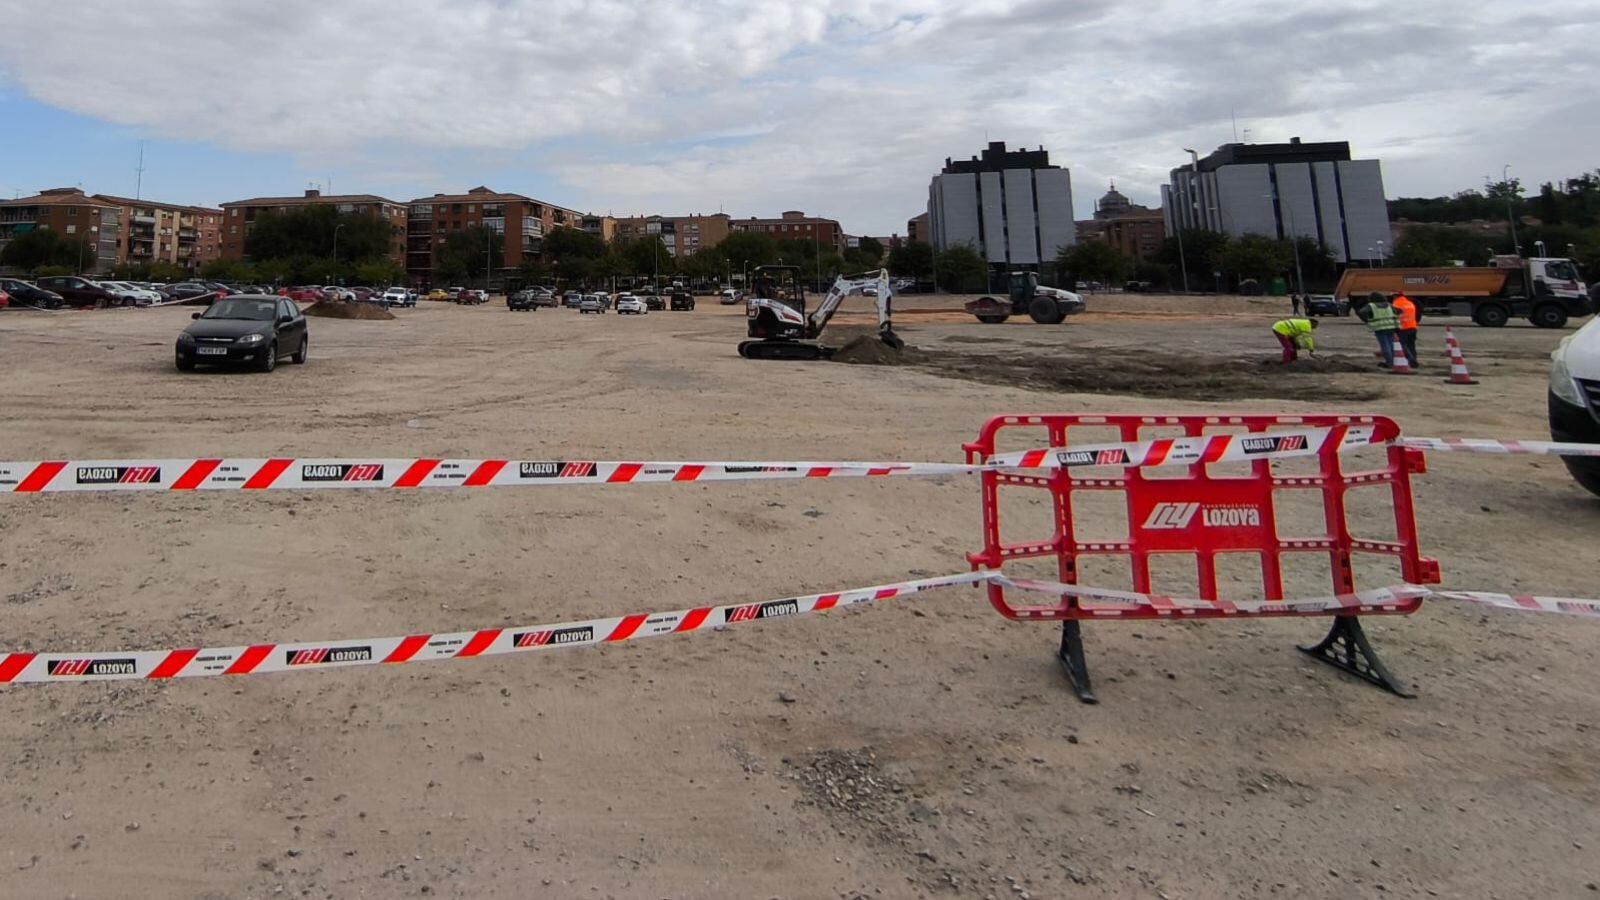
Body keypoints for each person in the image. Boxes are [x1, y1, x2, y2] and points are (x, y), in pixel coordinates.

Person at [1356, 291, 1399, 368]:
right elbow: (1398, 311)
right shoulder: (1389, 305)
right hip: (1391, 327)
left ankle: (1389, 363)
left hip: (1380, 328)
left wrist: (1367, 320)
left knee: (1385, 345)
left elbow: (1361, 312)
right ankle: (1392, 361)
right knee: (1390, 345)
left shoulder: (1371, 306)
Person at [1392, 290, 1420, 368]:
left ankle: (1411, 360)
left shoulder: (1396, 304)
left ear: (1395, 296)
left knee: (1402, 345)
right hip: (1413, 327)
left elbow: (1394, 316)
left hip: (1403, 327)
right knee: (1411, 345)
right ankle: (1414, 359)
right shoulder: (1410, 303)